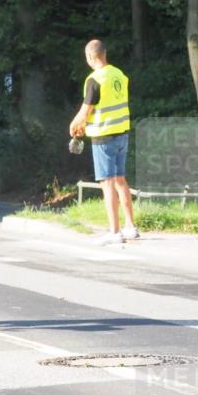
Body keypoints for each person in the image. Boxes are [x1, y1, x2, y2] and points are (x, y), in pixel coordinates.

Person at [69, 39, 138, 245]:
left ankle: (115, 232)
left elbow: (87, 109)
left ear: (90, 57)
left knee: (107, 184)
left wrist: (75, 124)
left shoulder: (94, 79)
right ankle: (130, 227)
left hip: (103, 136)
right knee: (120, 180)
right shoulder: (119, 74)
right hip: (122, 133)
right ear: (105, 53)